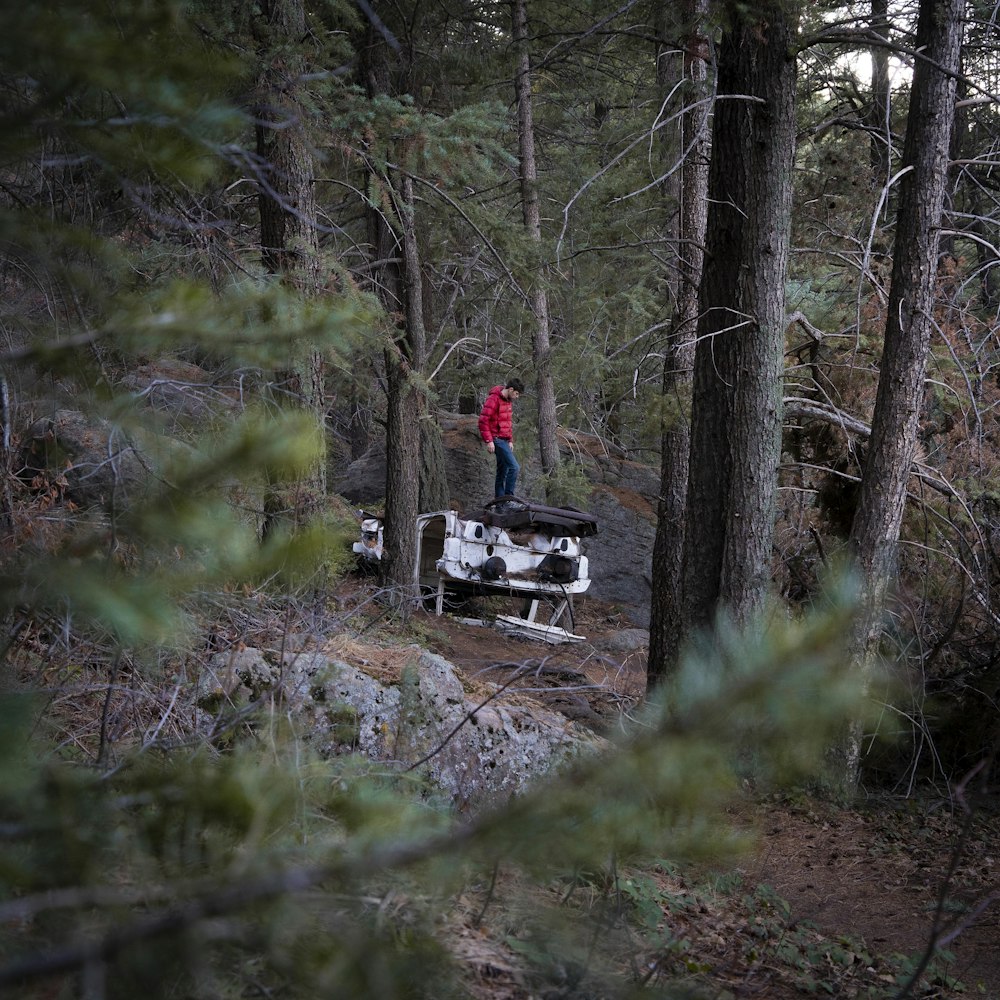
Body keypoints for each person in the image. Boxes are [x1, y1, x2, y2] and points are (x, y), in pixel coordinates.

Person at [478, 377, 524, 498]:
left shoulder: (508, 401)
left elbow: (507, 422)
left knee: (502, 472)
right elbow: (483, 420)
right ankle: (509, 499)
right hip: (496, 439)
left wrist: (510, 440)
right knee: (514, 467)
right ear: (511, 389)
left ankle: (500, 502)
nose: (517, 396)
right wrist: (489, 441)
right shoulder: (493, 399)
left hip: (504, 440)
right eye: (517, 393)